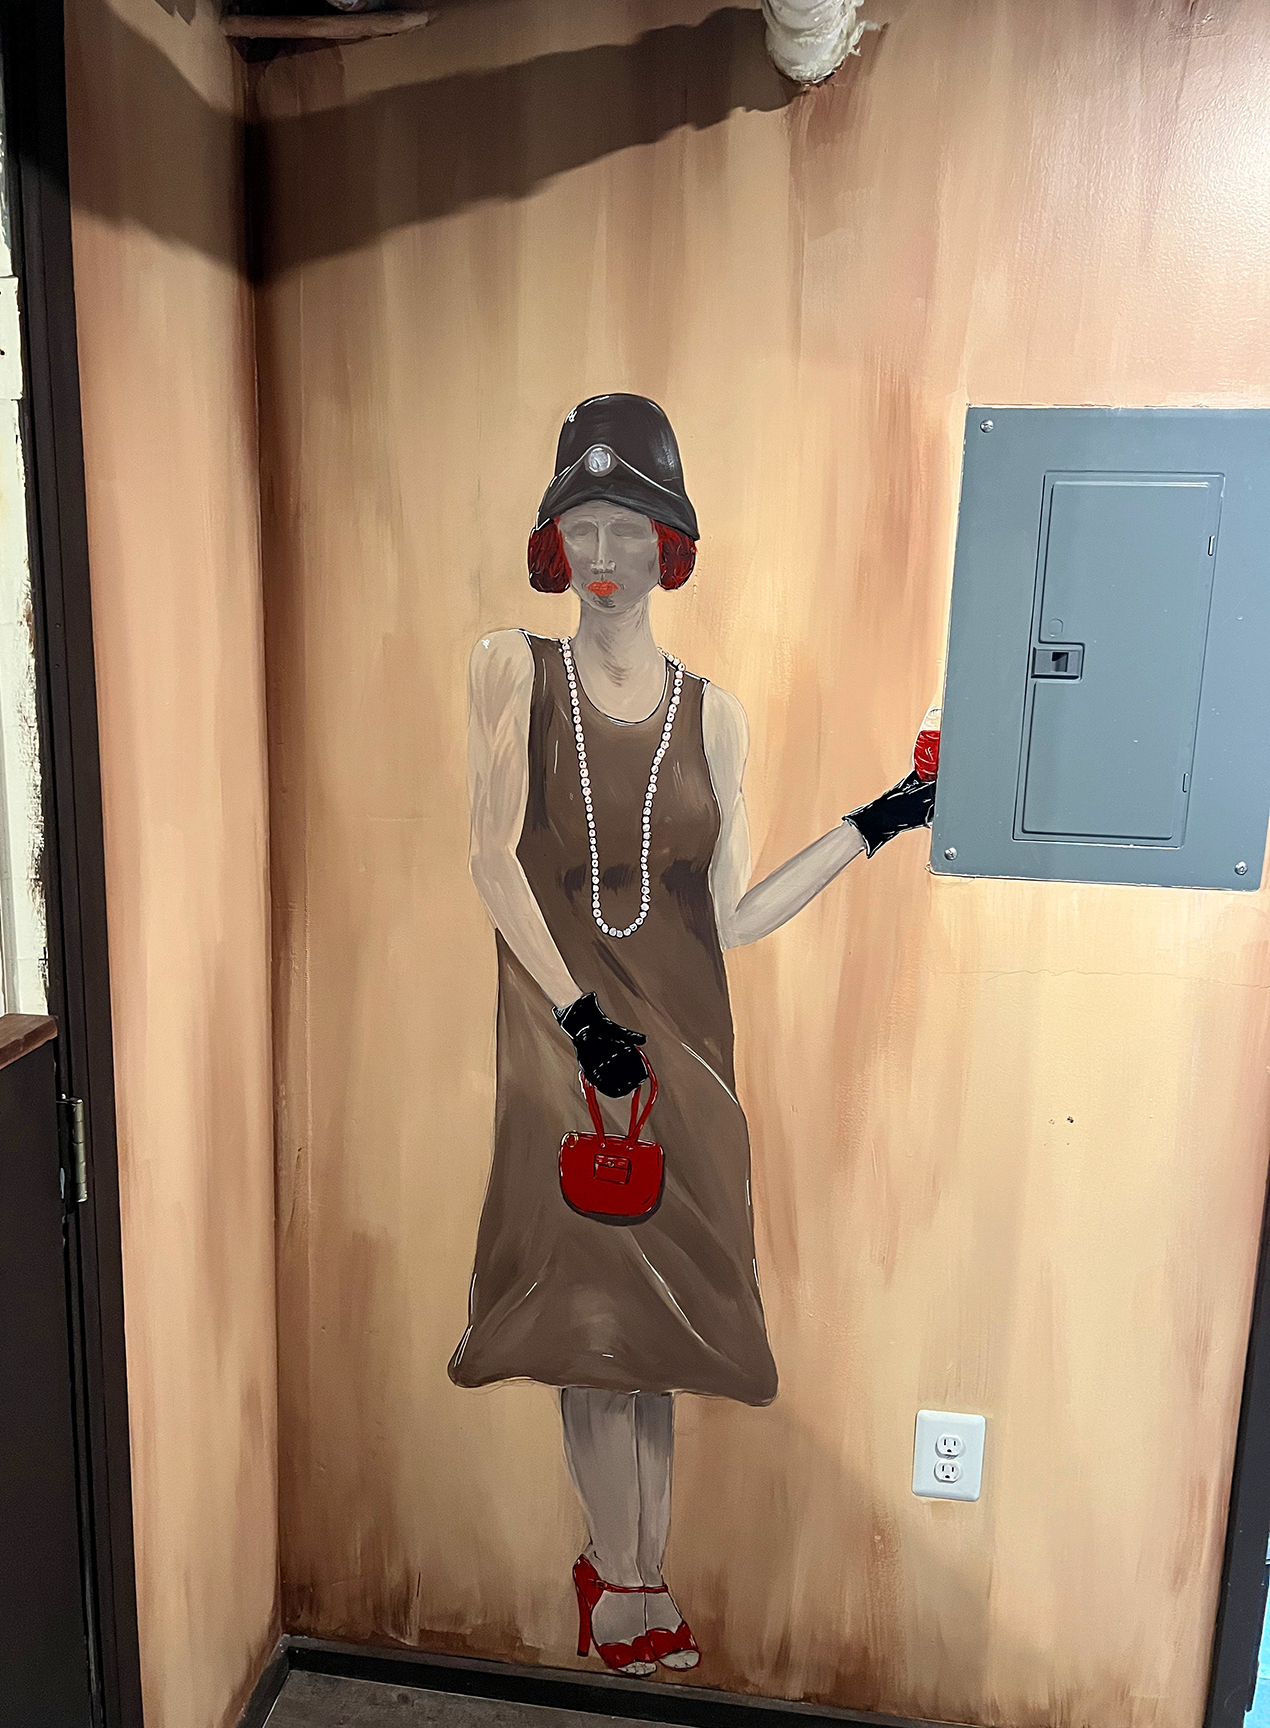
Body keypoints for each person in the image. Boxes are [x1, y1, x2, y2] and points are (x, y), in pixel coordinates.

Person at [448, 395, 934, 1677]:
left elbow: (736, 915)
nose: (604, 556)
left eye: (631, 528)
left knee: (655, 1339)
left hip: (682, 1065)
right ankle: (619, 1587)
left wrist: (878, 822)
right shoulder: (512, 669)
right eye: (583, 527)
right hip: (566, 1051)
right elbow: (492, 863)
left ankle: (636, 1574)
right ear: (554, 541)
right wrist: (579, 1019)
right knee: (590, 1327)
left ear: (671, 545)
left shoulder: (715, 716)